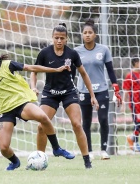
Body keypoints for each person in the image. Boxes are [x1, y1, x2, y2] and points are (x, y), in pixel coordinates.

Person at [30, 23, 99, 169]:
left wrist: (92, 95)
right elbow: (33, 71)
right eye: (56, 38)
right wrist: (33, 87)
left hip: (69, 92)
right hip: (50, 93)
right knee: (41, 126)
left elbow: (84, 74)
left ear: (67, 39)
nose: (59, 41)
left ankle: (87, 161)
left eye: (62, 38)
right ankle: (39, 161)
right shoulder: (44, 53)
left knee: (77, 124)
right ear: (52, 38)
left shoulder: (72, 54)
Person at [74, 19, 122, 160]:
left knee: (103, 119)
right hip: (84, 91)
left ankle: (103, 150)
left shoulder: (103, 50)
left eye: (90, 32)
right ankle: (88, 151)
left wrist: (116, 88)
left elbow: (111, 71)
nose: (87, 35)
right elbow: (71, 72)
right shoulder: (76, 51)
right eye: (85, 33)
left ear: (95, 34)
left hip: (101, 90)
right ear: (82, 35)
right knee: (86, 122)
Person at [122, 55, 140, 152]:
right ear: (136, 63)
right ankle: (135, 142)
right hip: (136, 104)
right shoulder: (130, 76)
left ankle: (132, 138)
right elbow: (126, 91)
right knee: (138, 123)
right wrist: (123, 104)